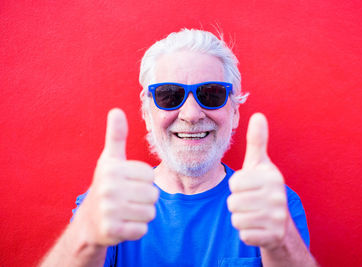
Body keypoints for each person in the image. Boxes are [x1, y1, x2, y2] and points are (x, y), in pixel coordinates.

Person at [40, 29, 318, 266]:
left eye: (211, 94)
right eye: (169, 95)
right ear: (147, 114)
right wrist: (83, 238)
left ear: (234, 113)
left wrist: (282, 243)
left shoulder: (272, 204)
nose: (191, 114)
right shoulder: (112, 203)